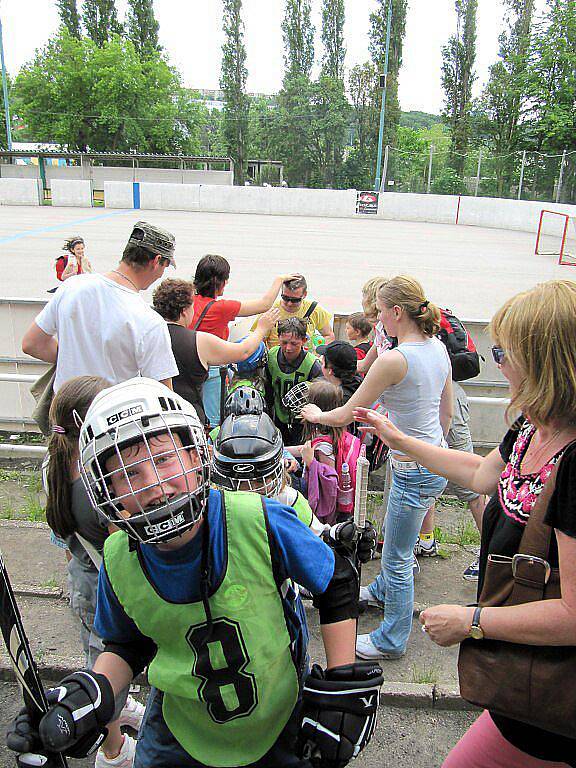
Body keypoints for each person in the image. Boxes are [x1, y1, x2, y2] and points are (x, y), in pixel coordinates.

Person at [7, 378, 383, 768]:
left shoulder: (258, 520)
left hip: (279, 720)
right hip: (178, 733)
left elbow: (336, 578)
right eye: (130, 474)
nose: (155, 486)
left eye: (164, 459)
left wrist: (342, 681)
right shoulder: (119, 557)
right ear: (106, 491)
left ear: (195, 454)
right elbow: (126, 644)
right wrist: (90, 694)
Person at [352, 279, 576, 768]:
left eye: (504, 353)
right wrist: (400, 439)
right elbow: (478, 472)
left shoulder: (573, 463)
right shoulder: (530, 427)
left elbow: (573, 615)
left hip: (554, 697)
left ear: (544, 363)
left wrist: (471, 622)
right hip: (521, 687)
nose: (498, 363)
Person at [302, 275, 452, 661]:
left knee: (398, 556)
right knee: (393, 532)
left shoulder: (394, 359)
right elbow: (445, 412)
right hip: (432, 457)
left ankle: (392, 639)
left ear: (397, 312)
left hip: (412, 467)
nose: (378, 319)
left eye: (381, 312)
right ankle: (383, 591)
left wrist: (318, 412)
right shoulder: (436, 348)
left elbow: (349, 412)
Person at [44, 375, 143, 768]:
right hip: (106, 587)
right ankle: (113, 749)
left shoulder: (54, 463)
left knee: (95, 654)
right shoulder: (96, 483)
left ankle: (119, 712)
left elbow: (62, 539)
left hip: (81, 581)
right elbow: (122, 547)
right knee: (105, 669)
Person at [22, 221, 178, 393]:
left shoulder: (71, 287)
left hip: (64, 412)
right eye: (165, 266)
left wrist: (74, 361)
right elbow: (163, 395)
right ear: (156, 261)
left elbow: (32, 344)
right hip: (113, 414)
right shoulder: (149, 321)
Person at [190, 254, 299, 427]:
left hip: (188, 369)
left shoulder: (187, 302)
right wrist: (279, 280)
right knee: (212, 421)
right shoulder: (221, 308)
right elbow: (264, 304)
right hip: (211, 372)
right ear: (221, 282)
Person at [152, 278, 279, 425]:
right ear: (185, 311)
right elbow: (243, 352)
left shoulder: (146, 336)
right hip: (187, 417)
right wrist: (262, 328)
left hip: (155, 415)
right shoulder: (198, 341)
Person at [295, 380, 363, 527]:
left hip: (330, 515)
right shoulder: (330, 431)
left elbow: (329, 480)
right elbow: (309, 447)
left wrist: (310, 462)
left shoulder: (324, 446)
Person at [265, 317, 324, 445]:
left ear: (304, 340)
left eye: (294, 343)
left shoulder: (312, 365)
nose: (288, 348)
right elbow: (268, 388)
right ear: (278, 337)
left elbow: (321, 396)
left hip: (302, 421)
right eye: (284, 342)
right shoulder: (271, 357)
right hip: (278, 415)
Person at [254, 275, 335, 350]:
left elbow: (328, 335)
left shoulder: (314, 310)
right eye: (285, 298)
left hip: (307, 359)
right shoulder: (271, 311)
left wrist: (320, 354)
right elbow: (256, 338)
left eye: (294, 300)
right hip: (277, 359)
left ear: (304, 295)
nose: (289, 303)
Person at [316, 340, 363, 407]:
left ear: (330, 370)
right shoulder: (357, 382)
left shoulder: (340, 399)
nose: (321, 366)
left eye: (322, 363)